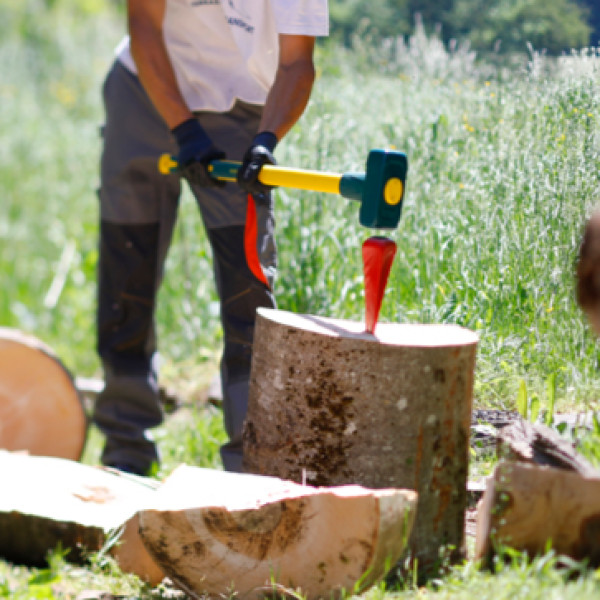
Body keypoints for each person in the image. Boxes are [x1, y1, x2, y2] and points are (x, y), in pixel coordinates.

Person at [93, 0, 329, 476]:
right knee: (128, 260)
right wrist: (184, 128)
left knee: (248, 281)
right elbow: (143, 23)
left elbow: (297, 63)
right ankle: (125, 445)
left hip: (238, 107)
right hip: (145, 87)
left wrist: (266, 140)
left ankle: (249, 461)